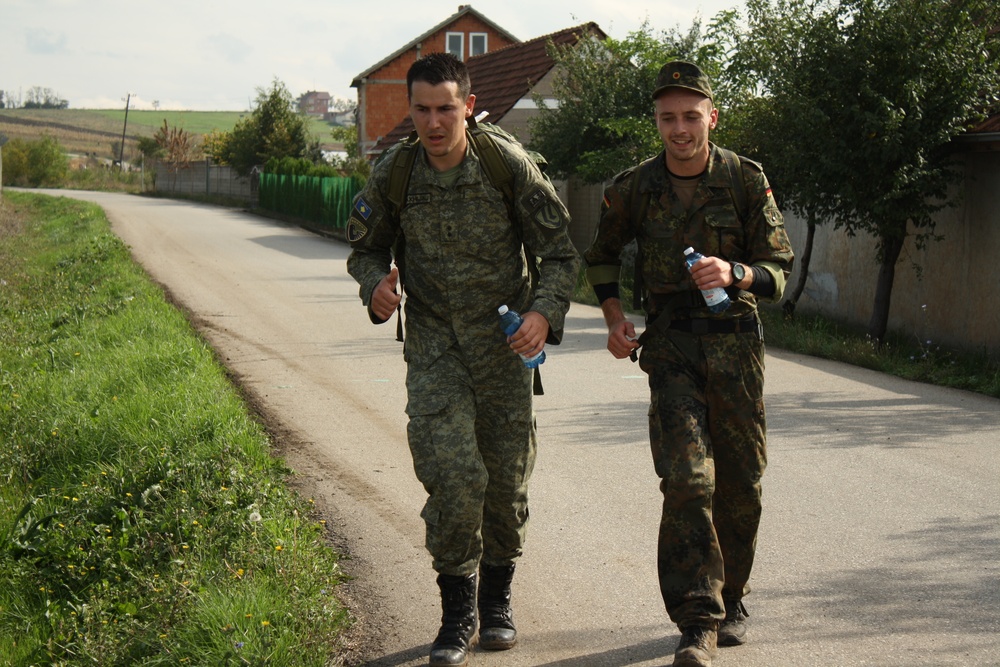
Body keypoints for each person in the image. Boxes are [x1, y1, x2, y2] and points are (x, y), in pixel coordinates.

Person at [346, 52, 579, 667]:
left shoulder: (507, 166)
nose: (434, 122)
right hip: (435, 349)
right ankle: (457, 613)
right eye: (421, 109)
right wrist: (375, 288)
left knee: (504, 482)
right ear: (411, 110)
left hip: (504, 348)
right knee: (453, 477)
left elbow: (559, 255)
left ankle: (497, 602)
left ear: (468, 107)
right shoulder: (397, 173)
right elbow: (363, 251)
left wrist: (541, 315)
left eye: (446, 108)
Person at [583, 61, 794, 667]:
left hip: (736, 347)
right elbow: (600, 258)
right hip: (671, 347)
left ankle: (733, 595)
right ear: (657, 121)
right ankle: (697, 620)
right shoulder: (633, 187)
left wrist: (737, 272)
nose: (680, 129)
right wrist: (615, 319)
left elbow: (780, 268)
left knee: (741, 485)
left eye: (690, 116)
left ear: (711, 117)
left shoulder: (745, 180)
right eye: (668, 118)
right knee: (688, 480)